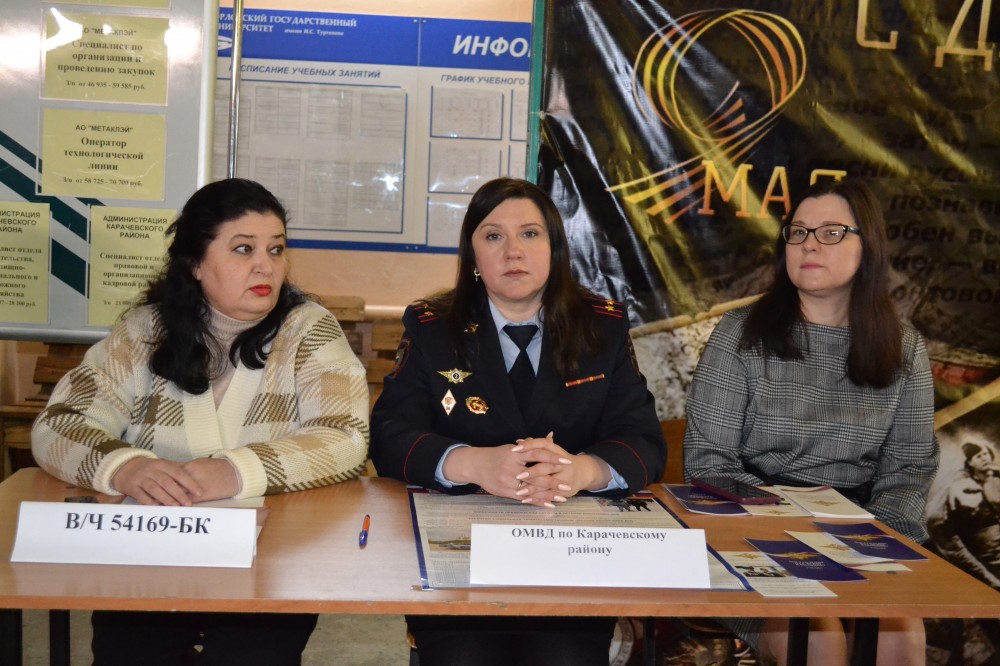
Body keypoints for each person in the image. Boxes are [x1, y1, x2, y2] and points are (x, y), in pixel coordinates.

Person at [32, 178, 369, 666]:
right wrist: (125, 467)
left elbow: (344, 437)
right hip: (151, 552)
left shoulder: (307, 329)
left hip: (270, 557)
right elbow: (60, 423)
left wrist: (234, 471)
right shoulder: (144, 331)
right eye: (243, 249)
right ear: (194, 263)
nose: (265, 266)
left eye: (276, 249)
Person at [370, 177, 666, 666]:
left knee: (564, 659)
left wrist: (581, 470)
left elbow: (643, 439)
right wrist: (473, 464)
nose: (513, 252)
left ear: (554, 248)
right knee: (465, 659)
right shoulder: (432, 326)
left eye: (530, 234)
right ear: (472, 254)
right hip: (461, 550)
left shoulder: (602, 325)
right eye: (493, 236)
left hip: (571, 551)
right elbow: (388, 435)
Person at [683, 178, 938, 666]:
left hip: (862, 533)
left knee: (901, 636)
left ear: (869, 247)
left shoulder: (905, 347)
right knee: (820, 639)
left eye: (831, 232)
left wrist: (878, 545)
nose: (809, 245)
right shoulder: (740, 333)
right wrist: (794, 534)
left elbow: (908, 470)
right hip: (754, 532)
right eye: (798, 232)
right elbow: (709, 464)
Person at [929, 441, 1000, 588]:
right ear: (970, 462)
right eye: (978, 456)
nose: (984, 458)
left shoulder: (993, 477)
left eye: (985, 454)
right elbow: (937, 522)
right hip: (987, 556)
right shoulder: (959, 488)